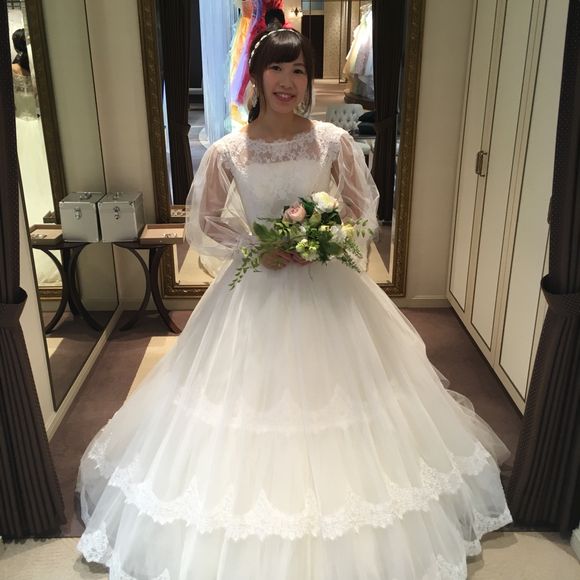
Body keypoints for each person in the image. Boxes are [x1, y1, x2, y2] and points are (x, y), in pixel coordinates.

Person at [77, 26, 512, 580]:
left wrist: (326, 236)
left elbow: (361, 209)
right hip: (256, 291)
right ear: (257, 77)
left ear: (309, 79)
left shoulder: (332, 141)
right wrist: (256, 246)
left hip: (326, 286)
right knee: (241, 401)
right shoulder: (228, 151)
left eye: (299, 70)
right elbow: (204, 222)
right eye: (277, 69)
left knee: (355, 395)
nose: (287, 81)